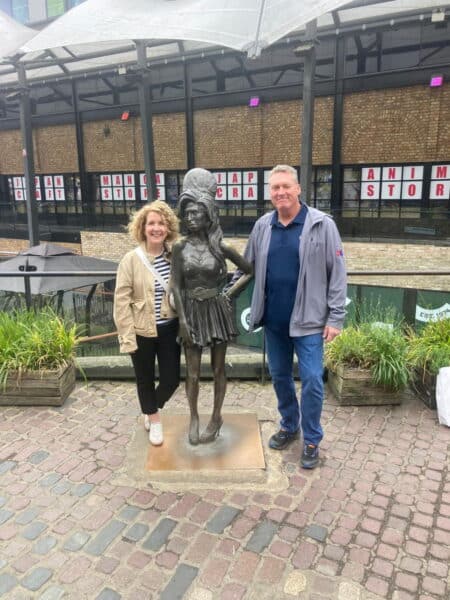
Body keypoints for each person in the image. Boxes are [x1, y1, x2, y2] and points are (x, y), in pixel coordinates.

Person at [242, 164, 347, 469]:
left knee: (313, 379)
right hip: (274, 321)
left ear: (299, 188)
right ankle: (290, 425)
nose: (281, 192)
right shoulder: (263, 226)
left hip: (310, 322)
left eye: (286, 186)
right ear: (270, 192)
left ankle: (312, 438)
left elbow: (337, 274)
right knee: (280, 377)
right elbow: (245, 267)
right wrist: (224, 292)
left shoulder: (321, 225)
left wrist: (335, 317)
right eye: (275, 188)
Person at [171, 168, 252, 446]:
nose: (191, 218)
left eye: (197, 213)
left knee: (218, 369)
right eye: (188, 213)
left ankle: (216, 416)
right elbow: (176, 286)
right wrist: (182, 320)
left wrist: (229, 293)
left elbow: (249, 270)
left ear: (208, 215)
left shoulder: (222, 246)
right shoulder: (179, 248)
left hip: (217, 310)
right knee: (192, 371)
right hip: (191, 312)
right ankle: (193, 416)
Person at [113, 200, 180, 446]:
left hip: (169, 328)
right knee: (145, 378)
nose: (156, 228)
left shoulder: (175, 257)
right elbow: (121, 302)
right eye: (151, 223)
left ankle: (149, 407)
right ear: (143, 227)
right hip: (141, 330)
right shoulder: (130, 260)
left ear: (168, 227)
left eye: (161, 223)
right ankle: (154, 418)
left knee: (172, 379)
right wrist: (127, 337)